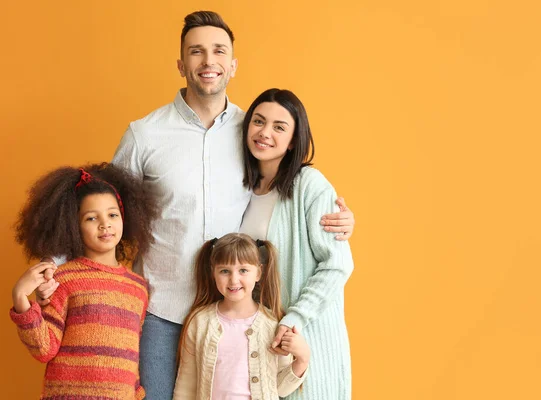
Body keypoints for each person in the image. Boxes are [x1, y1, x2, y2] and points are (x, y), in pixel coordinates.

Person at [37, 11, 354, 399]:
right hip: (161, 313)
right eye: (196, 52)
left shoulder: (252, 132)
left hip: (234, 314)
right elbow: (101, 205)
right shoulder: (145, 134)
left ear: (233, 65)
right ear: (181, 64)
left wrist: (339, 220)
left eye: (219, 51)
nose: (208, 61)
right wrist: (52, 264)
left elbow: (286, 190)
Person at [239, 88, 354, 399]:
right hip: (257, 345)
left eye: (279, 127)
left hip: (305, 340)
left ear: (293, 141)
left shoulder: (310, 185)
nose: (264, 133)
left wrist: (297, 318)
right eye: (258, 122)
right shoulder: (240, 186)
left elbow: (338, 263)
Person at [10, 163, 158, 399]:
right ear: (73, 226)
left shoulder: (138, 288)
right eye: (91, 218)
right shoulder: (63, 279)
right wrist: (21, 299)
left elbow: (130, 357)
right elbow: (44, 349)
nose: (105, 224)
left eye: (112, 214)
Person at [173, 233, 310, 399]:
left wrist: (302, 358)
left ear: (258, 273)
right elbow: (186, 384)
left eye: (243, 270)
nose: (234, 280)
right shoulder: (200, 322)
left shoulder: (273, 325)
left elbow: (279, 388)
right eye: (225, 271)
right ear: (213, 272)